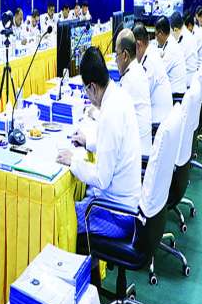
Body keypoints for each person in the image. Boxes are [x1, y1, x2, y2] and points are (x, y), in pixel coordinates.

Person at [56, 48, 141, 247]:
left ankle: (82, 265)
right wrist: (89, 142)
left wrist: (73, 161)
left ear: (92, 87)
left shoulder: (110, 113)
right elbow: (114, 146)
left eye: (86, 90)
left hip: (118, 215)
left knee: (62, 218)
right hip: (126, 201)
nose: (88, 96)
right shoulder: (119, 96)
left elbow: (102, 179)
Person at [115, 29, 153, 156]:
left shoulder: (129, 81)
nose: (115, 61)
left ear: (125, 55)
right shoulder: (138, 69)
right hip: (142, 145)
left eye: (117, 55)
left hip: (135, 155)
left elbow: (114, 122)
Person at [133, 24, 173, 138]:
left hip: (157, 124)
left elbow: (141, 95)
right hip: (163, 118)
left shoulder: (149, 62)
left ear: (138, 45)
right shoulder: (151, 53)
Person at [154, 16, 187, 103]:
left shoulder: (171, 48)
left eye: (156, 35)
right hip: (176, 93)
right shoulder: (170, 42)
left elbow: (159, 73)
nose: (156, 39)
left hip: (176, 96)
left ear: (161, 33)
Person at [171, 12, 198, 86]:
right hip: (192, 76)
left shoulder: (183, 39)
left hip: (187, 80)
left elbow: (176, 61)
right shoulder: (187, 34)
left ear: (175, 29)